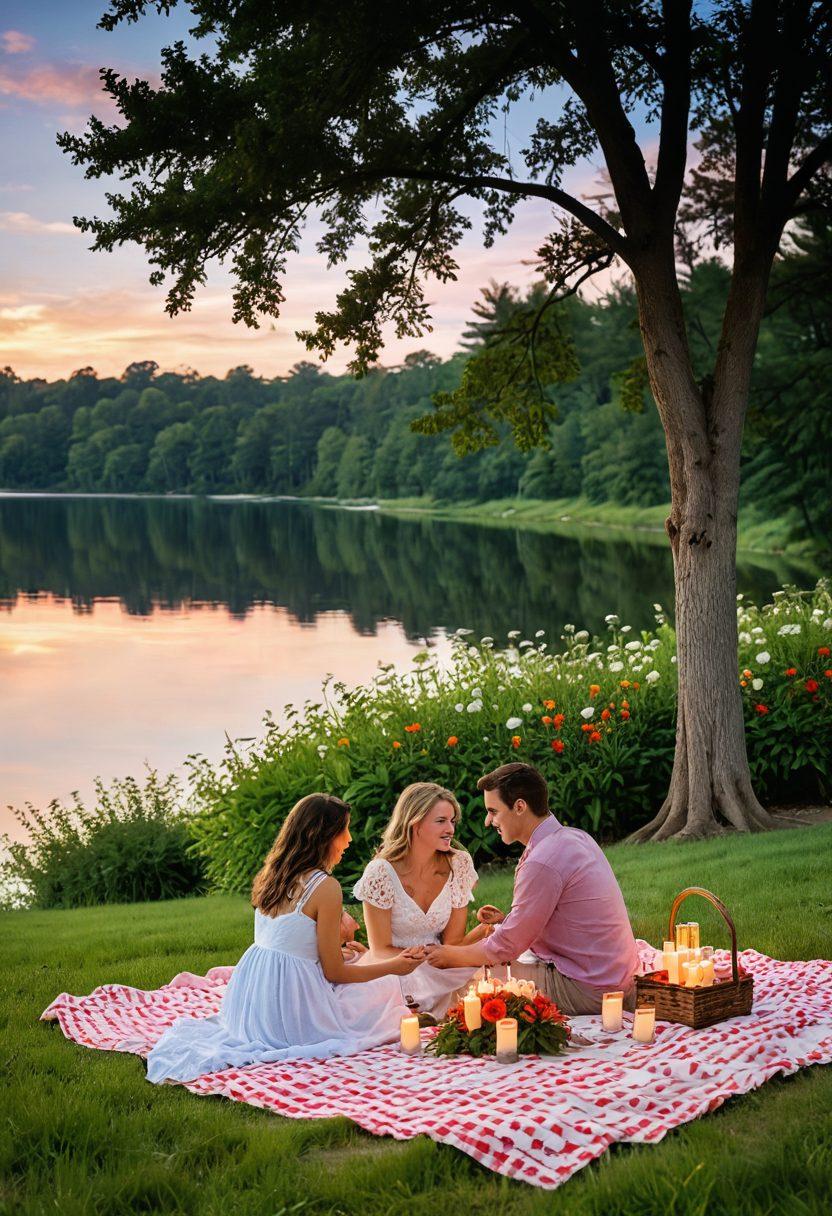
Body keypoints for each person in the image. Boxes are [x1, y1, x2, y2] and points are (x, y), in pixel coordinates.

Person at [146, 793, 422, 1084]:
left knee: (367, 972)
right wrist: (394, 966)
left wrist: (348, 955)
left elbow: (293, 947)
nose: (349, 839)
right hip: (288, 1012)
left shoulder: (272, 876)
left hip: (250, 1004)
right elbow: (334, 973)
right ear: (323, 835)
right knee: (386, 987)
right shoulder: (325, 887)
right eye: (345, 830)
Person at [425, 763, 639, 1014]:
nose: (487, 821)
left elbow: (506, 946)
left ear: (519, 806)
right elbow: (568, 918)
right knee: (478, 962)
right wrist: (510, 920)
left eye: (493, 811)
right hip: (615, 980)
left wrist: (449, 955)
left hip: (589, 990)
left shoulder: (543, 860)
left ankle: (427, 1018)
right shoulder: (574, 837)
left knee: (469, 976)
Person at [353, 782, 489, 1018]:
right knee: (409, 985)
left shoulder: (459, 864)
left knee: (494, 970)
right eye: (441, 821)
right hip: (395, 967)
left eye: (452, 821)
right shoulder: (381, 872)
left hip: (441, 964)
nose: (451, 829)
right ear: (415, 823)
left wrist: (487, 928)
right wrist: (423, 958)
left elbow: (454, 942)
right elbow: (380, 949)